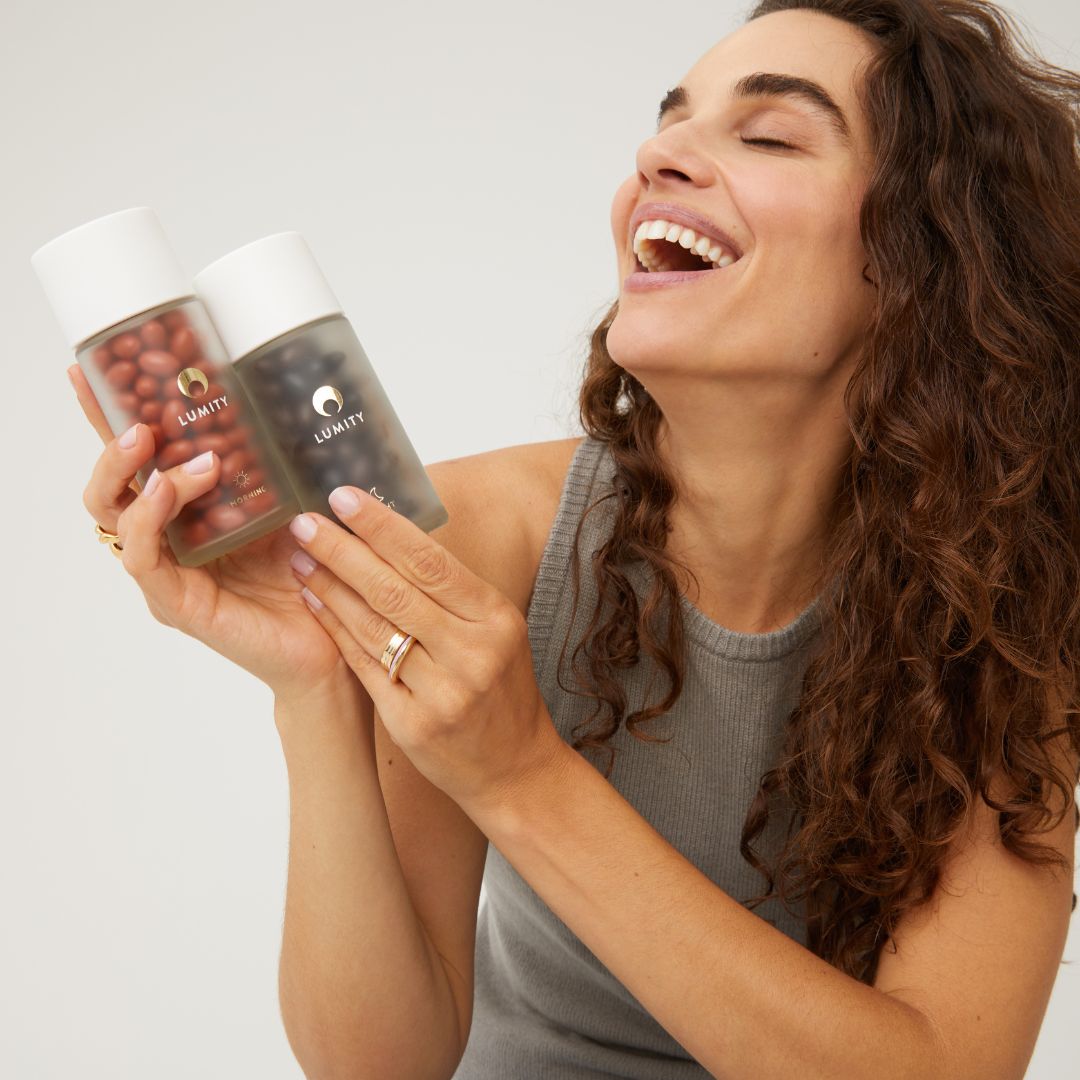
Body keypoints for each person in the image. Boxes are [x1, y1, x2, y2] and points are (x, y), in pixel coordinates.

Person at [71, 0, 1080, 1076]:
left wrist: (521, 777)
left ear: (927, 262)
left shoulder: (1009, 613)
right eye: (669, 120)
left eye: (771, 135)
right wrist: (315, 688)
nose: (659, 154)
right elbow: (380, 1064)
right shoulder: (479, 540)